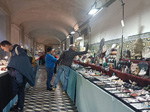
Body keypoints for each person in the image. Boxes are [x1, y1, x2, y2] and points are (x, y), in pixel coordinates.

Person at [0, 40, 35, 112]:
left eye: (3, 48)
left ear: (6, 45)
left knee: (20, 91)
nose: (4, 50)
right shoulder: (16, 50)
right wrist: (7, 67)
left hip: (20, 75)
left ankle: (19, 107)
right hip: (21, 75)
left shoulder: (17, 51)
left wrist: (9, 67)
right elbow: (16, 63)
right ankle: (19, 105)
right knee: (20, 91)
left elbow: (18, 64)